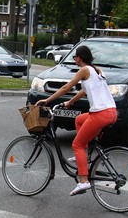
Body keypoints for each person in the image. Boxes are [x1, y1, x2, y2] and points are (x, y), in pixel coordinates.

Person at [36, 45, 117, 196]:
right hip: (111, 112)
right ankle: (83, 157)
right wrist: (70, 102)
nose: (74, 60)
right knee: (79, 120)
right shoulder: (95, 70)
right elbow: (84, 90)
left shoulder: (84, 70)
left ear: (79, 57)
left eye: (74, 57)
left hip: (100, 114)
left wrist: (47, 100)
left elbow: (66, 88)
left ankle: (83, 181)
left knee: (77, 144)